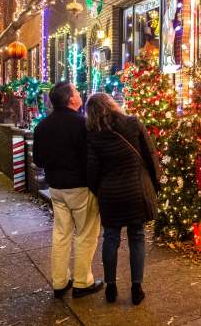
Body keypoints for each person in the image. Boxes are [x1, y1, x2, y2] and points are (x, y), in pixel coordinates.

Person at [85, 93, 160, 305]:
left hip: (110, 194)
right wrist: (155, 183)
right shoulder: (132, 123)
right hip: (136, 190)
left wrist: (98, 189)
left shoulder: (93, 134)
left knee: (110, 238)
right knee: (137, 237)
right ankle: (137, 288)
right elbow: (150, 154)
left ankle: (110, 287)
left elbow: (92, 169)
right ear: (112, 105)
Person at [33, 82, 103, 299]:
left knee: (61, 234)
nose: (79, 94)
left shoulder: (42, 126)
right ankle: (83, 282)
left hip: (56, 187)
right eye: (76, 91)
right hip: (80, 187)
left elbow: (38, 160)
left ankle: (60, 281)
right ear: (70, 99)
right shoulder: (82, 124)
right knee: (86, 234)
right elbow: (91, 158)